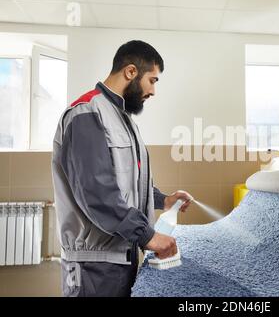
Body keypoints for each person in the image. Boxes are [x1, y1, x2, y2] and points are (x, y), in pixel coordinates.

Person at [51, 40, 192, 297]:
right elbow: (96, 192)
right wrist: (147, 235)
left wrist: (163, 199)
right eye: (152, 80)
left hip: (120, 259)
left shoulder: (123, 119)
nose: (153, 91)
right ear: (130, 72)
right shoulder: (86, 113)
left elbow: (128, 182)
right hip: (93, 266)